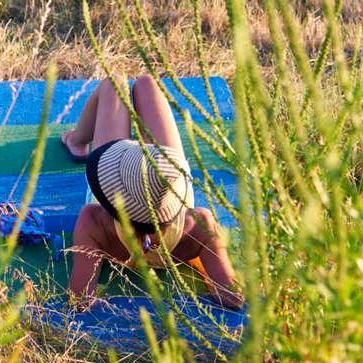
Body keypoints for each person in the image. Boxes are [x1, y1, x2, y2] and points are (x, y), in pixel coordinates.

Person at [60, 73, 244, 310]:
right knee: (147, 83)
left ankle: (76, 140)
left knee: (115, 83)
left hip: (140, 204)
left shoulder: (94, 222)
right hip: (167, 185)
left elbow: (80, 299)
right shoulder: (197, 225)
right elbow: (232, 296)